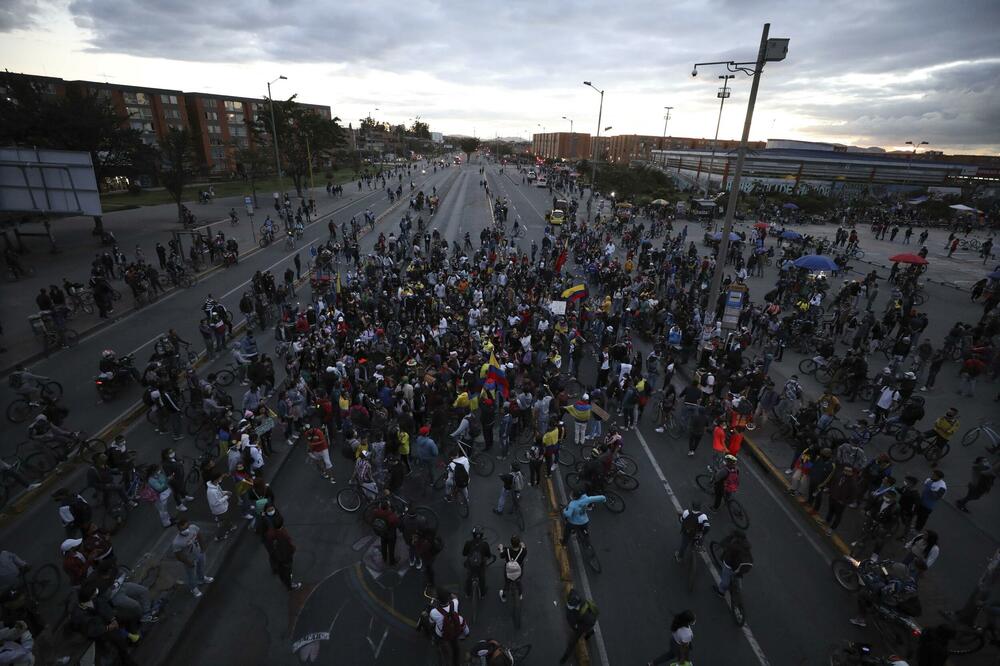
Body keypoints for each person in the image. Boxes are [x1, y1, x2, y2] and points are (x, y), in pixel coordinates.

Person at [171, 518, 213, 598]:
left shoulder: (193, 528)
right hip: (189, 558)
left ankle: (202, 579)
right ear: (179, 529)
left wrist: (203, 548)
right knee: (191, 575)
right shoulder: (177, 542)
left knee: (201, 567)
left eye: (187, 527)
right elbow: (178, 555)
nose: (186, 530)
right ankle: (193, 588)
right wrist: (188, 562)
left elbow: (199, 535)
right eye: (183, 529)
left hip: (199, 552)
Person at [427, 589, 469, 666]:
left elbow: (431, 622)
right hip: (453, 634)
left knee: (443, 650)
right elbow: (455, 598)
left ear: (438, 600)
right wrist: (451, 594)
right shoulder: (455, 603)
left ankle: (435, 642)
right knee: (456, 649)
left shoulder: (433, 612)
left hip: (441, 635)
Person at [264, 511, 303, 590]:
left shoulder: (270, 534)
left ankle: (284, 581)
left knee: (282, 572)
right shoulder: (281, 535)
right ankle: (290, 585)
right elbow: (286, 547)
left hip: (278, 558)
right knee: (287, 572)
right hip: (284, 558)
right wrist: (291, 551)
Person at [559, 588, 599, 664]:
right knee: (584, 629)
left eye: (570, 606)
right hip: (584, 619)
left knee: (572, 642)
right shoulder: (575, 596)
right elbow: (572, 590)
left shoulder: (587, 617)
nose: (568, 607)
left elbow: (585, 625)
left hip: (586, 624)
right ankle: (590, 633)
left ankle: (565, 657)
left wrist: (576, 627)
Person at [714, 529, 753, 597]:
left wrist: (721, 545)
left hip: (730, 564)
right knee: (738, 574)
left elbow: (725, 545)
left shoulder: (733, 545)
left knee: (725, 577)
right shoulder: (747, 544)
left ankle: (721, 592)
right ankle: (738, 587)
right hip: (742, 565)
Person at [462, 526, 494, 597]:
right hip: (481, 565)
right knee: (482, 578)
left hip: (470, 564)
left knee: (469, 577)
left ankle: (467, 593)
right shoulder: (485, 544)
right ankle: (482, 593)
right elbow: (488, 555)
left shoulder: (468, 543)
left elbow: (464, 553)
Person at [371, 496, 401, 567]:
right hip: (391, 535)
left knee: (383, 545)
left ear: (381, 506)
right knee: (391, 548)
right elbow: (397, 524)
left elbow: (372, 520)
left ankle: (384, 558)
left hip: (382, 533)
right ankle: (392, 561)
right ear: (388, 507)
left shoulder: (376, 512)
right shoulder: (392, 515)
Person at [497, 535, 526, 603]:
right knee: (518, 582)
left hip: (508, 571)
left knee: (507, 583)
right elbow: (524, 548)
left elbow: (501, 556)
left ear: (511, 543)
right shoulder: (523, 551)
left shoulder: (507, 550)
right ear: (519, 543)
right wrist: (523, 545)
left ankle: (503, 597)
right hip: (519, 571)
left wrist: (501, 548)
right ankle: (520, 594)